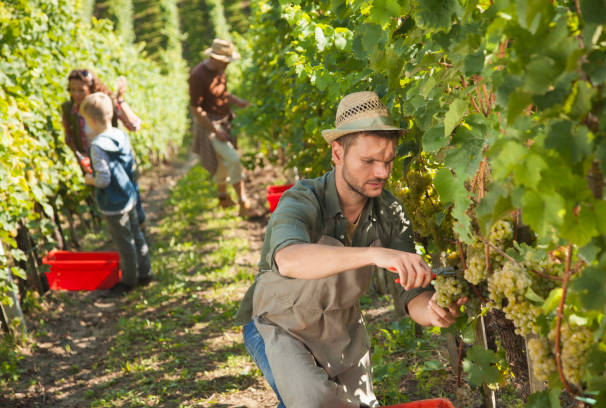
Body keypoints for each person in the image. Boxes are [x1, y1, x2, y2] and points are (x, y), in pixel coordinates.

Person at [235, 91, 468, 407]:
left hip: (342, 335)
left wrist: (432, 311)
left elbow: (410, 295)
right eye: (369, 161)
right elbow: (289, 259)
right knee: (314, 401)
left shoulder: (391, 212)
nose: (382, 173)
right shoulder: (303, 199)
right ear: (337, 153)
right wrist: (374, 254)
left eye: (387, 161)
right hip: (279, 326)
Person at [80, 92, 152, 295]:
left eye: (85, 121)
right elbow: (130, 165)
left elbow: (103, 180)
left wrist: (89, 179)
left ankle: (129, 281)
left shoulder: (97, 146)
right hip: (128, 195)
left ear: (92, 121)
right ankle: (146, 273)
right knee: (136, 235)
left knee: (124, 242)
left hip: (113, 203)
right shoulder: (121, 135)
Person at [61, 68, 146, 224]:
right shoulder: (69, 110)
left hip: (117, 162)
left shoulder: (105, 103)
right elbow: (70, 139)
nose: (76, 94)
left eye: (81, 90)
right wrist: (81, 159)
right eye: (72, 90)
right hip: (95, 162)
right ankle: (124, 237)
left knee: (131, 199)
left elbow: (134, 125)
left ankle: (139, 232)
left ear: (91, 88)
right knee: (108, 202)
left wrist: (120, 100)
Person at [188, 38, 255, 217]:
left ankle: (223, 197)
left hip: (224, 121)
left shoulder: (219, 70)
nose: (228, 64)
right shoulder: (197, 76)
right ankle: (244, 203)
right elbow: (195, 108)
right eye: (226, 61)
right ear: (215, 58)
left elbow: (221, 92)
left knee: (221, 161)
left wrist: (235, 101)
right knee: (232, 159)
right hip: (209, 126)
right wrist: (215, 130)